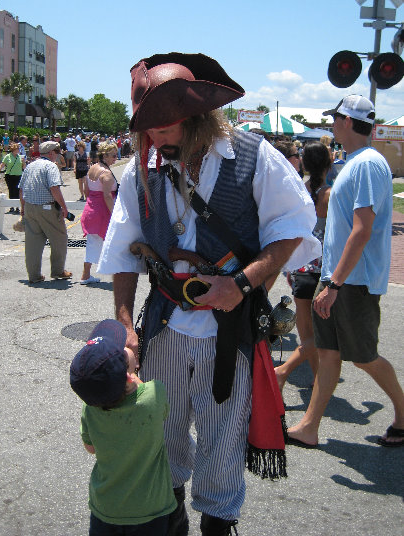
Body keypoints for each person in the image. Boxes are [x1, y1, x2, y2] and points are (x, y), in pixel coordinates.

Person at [97, 53, 321, 535]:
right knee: (166, 440)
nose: (155, 135)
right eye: (148, 126)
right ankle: (171, 522)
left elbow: (295, 226)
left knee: (222, 445)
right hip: (164, 327)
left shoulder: (252, 155)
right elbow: (121, 254)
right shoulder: (142, 169)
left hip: (229, 335)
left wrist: (242, 283)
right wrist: (123, 326)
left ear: (196, 113)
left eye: (164, 124)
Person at [288, 95, 404, 449]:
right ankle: (309, 426)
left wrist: (335, 282)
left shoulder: (367, 164)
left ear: (347, 122)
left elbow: (362, 229)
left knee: (364, 356)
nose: (331, 125)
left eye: (335, 119)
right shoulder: (354, 162)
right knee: (328, 353)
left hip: (351, 281)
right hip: (337, 277)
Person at [70, 319, 176, 536]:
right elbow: (158, 405)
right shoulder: (154, 395)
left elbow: (90, 447)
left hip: (106, 508)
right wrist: (134, 373)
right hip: (151, 509)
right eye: (122, 350)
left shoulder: (90, 408)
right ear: (129, 376)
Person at [274, 142, 332, 392]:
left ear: (305, 164)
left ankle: (318, 379)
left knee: (307, 331)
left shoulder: (299, 190)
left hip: (300, 268)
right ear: (328, 164)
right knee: (322, 335)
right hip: (323, 272)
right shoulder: (330, 194)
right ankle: (284, 371)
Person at [18, 141, 73, 284]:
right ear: (51, 153)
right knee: (59, 238)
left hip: (30, 206)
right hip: (47, 208)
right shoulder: (51, 166)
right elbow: (54, 188)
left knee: (32, 243)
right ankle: (58, 270)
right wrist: (64, 207)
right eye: (57, 153)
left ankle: (34, 275)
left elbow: (21, 189)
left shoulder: (30, 166)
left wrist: (23, 208)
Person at [80, 143, 118, 285]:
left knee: (92, 243)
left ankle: (86, 274)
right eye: (113, 155)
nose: (116, 158)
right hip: (103, 212)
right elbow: (107, 196)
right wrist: (114, 214)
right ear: (105, 155)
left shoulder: (92, 168)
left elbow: (86, 191)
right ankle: (117, 274)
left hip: (91, 209)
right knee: (113, 242)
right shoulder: (106, 173)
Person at [0, 142, 26, 214]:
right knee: (11, 191)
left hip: (18, 176)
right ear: (14, 149)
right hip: (9, 176)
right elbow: (2, 165)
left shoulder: (20, 157)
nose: (18, 150)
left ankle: (17, 207)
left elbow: (24, 168)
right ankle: (11, 207)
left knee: (17, 191)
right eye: (17, 148)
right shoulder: (8, 156)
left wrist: (24, 162)